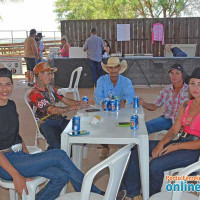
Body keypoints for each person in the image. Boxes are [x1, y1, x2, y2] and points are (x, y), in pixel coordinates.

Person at [0, 68, 103, 200]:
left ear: (12, 85)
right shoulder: (34, 94)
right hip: (5, 163)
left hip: (19, 156)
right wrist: (16, 175)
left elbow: (16, 136)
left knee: (61, 176)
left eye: (8, 84)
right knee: (59, 155)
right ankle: (92, 194)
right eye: (0, 85)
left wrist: (28, 159)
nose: (4, 89)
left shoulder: (11, 105)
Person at [117, 67, 200, 200]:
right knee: (137, 149)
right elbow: (174, 130)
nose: (195, 88)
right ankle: (131, 191)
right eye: (192, 83)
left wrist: (175, 146)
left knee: (155, 165)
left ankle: (151, 196)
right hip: (180, 141)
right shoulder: (186, 105)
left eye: (199, 84)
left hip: (193, 150)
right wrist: (161, 144)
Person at [29, 61, 85, 150]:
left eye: (51, 74)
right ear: (40, 75)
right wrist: (74, 107)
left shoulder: (50, 88)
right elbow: (52, 110)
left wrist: (80, 103)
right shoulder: (35, 94)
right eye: (49, 74)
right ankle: (49, 160)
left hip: (58, 120)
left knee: (81, 132)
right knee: (56, 146)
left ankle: (63, 157)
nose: (51, 77)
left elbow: (65, 100)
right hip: (46, 124)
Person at [95, 57, 135, 157]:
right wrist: (102, 101)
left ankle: (123, 146)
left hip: (122, 111)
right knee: (101, 122)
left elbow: (131, 95)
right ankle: (105, 145)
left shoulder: (126, 81)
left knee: (125, 123)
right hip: (106, 111)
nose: (113, 70)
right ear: (107, 69)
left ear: (119, 68)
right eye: (111, 68)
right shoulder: (101, 80)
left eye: (115, 67)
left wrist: (125, 101)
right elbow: (97, 96)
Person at [139, 64, 189, 134]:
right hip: (167, 120)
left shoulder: (190, 90)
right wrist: (143, 103)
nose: (174, 76)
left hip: (183, 122)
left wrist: (186, 124)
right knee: (144, 127)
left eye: (177, 73)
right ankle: (135, 144)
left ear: (182, 75)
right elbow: (153, 107)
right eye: (172, 73)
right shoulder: (165, 90)